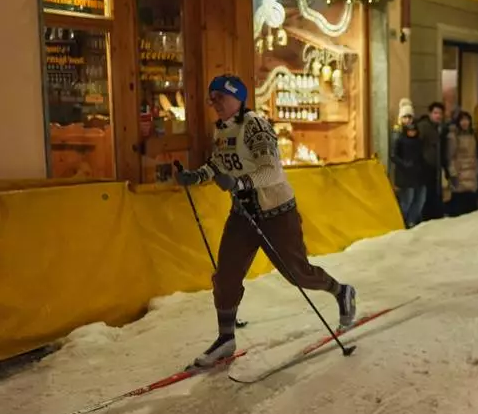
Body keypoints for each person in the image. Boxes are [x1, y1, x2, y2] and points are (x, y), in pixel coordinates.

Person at [175, 74, 357, 368]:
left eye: (220, 97)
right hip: (243, 214)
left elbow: (272, 170)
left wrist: (238, 184)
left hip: (276, 211)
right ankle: (226, 338)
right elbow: (219, 164)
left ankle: (342, 291)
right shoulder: (222, 130)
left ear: (237, 98)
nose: (214, 104)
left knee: (298, 273)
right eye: (212, 99)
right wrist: (196, 176)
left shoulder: (255, 126)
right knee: (226, 276)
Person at [390, 98, 426, 228]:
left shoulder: (416, 134)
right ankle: (402, 222)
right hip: (405, 174)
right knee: (407, 200)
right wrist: (405, 164)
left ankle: (411, 221)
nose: (408, 120)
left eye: (410, 117)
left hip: (416, 172)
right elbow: (393, 155)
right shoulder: (397, 134)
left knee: (418, 199)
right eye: (405, 117)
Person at [446, 111, 478, 216]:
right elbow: (450, 157)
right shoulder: (453, 137)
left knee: (471, 210)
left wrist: (477, 169)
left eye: (467, 120)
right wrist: (453, 173)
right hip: (460, 173)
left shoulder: (472, 135)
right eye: (462, 120)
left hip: (471, 172)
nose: (465, 123)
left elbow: (474, 154)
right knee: (459, 208)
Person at [415, 102, 446, 221]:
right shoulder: (424, 126)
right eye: (435, 113)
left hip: (434, 166)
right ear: (430, 114)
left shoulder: (438, 128)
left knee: (434, 192)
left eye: (440, 113)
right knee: (426, 193)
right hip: (426, 166)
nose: (438, 116)